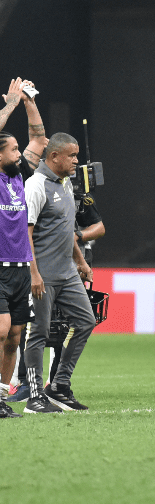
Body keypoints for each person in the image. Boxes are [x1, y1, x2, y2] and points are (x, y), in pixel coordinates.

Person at [0, 79, 39, 417]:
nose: (19, 153)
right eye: (13, 149)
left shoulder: (19, 177)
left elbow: (39, 139)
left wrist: (28, 102)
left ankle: (0, 397)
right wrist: (9, 104)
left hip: (21, 268)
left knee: (14, 336)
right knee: (0, 331)